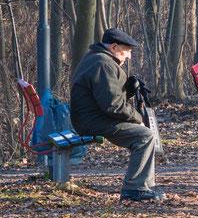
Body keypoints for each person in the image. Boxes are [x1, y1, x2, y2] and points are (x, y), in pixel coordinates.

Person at [71, 28, 166, 202]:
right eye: (127, 51)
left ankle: (143, 185)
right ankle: (135, 189)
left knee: (143, 134)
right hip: (93, 122)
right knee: (144, 135)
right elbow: (113, 105)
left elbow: (108, 97)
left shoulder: (97, 58)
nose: (129, 56)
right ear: (114, 47)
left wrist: (128, 89)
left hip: (92, 119)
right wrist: (139, 118)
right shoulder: (103, 63)